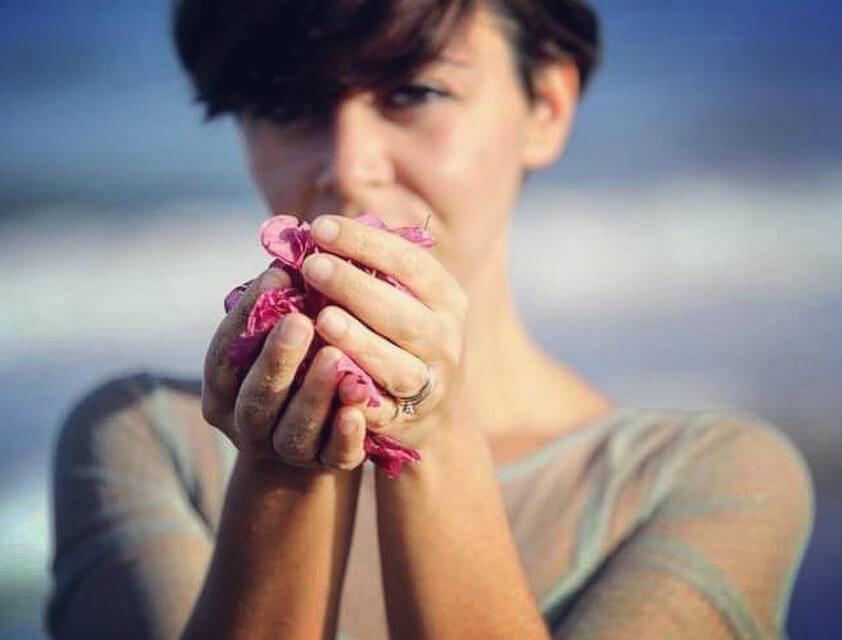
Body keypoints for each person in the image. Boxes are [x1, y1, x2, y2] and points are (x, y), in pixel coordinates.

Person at [45, 1, 814, 638]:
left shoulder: (712, 478)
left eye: (412, 92)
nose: (349, 165)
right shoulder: (140, 438)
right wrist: (284, 461)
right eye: (287, 105)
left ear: (546, 106)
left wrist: (429, 431)